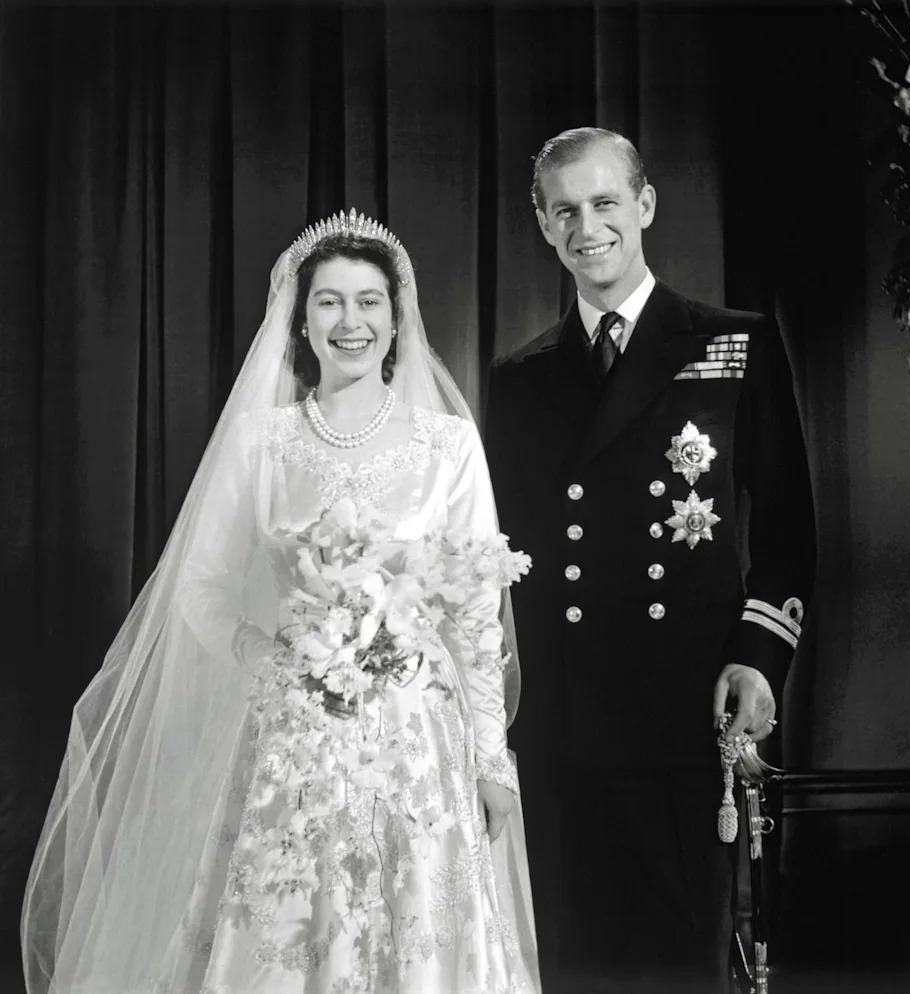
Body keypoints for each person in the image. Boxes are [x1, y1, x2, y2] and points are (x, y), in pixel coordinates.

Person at [22, 210, 540, 993]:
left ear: (399, 319)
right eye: (329, 301)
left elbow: (473, 611)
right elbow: (198, 583)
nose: (351, 321)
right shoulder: (262, 441)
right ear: (301, 317)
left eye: (369, 301)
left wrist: (490, 758)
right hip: (294, 739)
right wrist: (265, 655)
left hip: (416, 747)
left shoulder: (447, 446)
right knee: (288, 938)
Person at [484, 128, 816, 990]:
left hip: (682, 700)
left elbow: (783, 532)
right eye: (565, 211)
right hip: (560, 719)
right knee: (574, 958)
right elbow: (502, 559)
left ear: (645, 206)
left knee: (679, 961)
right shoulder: (520, 380)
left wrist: (759, 658)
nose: (586, 227)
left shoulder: (731, 343)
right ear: (543, 226)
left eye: (603, 204)